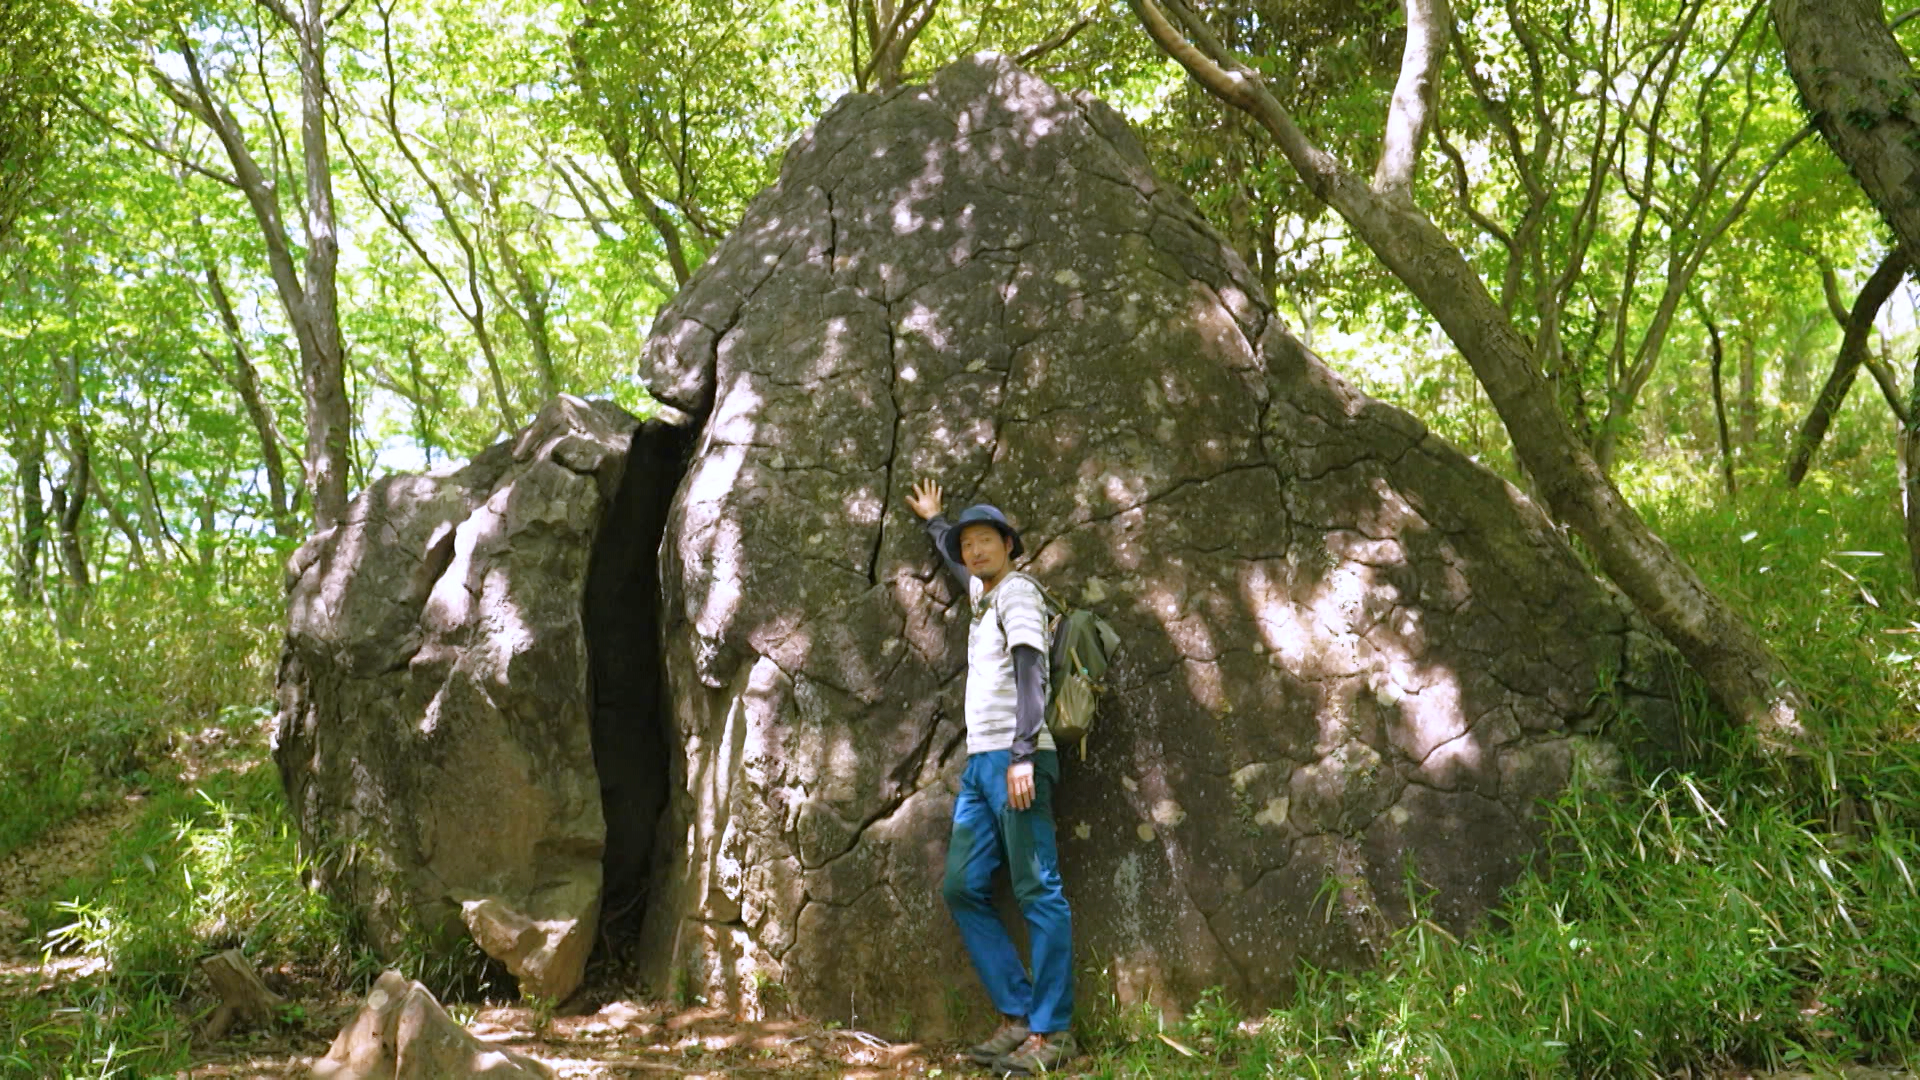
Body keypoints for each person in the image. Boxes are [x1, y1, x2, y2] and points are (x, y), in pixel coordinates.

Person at [907, 478, 1075, 1074]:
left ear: (1008, 544)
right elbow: (960, 572)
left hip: (1015, 756)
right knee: (961, 885)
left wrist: (1024, 753)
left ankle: (1053, 1032)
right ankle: (1019, 1012)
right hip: (980, 765)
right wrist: (936, 522)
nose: (974, 552)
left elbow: (1032, 671)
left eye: (985, 541)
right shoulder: (984, 595)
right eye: (967, 544)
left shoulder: (1021, 594)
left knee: (1037, 889)